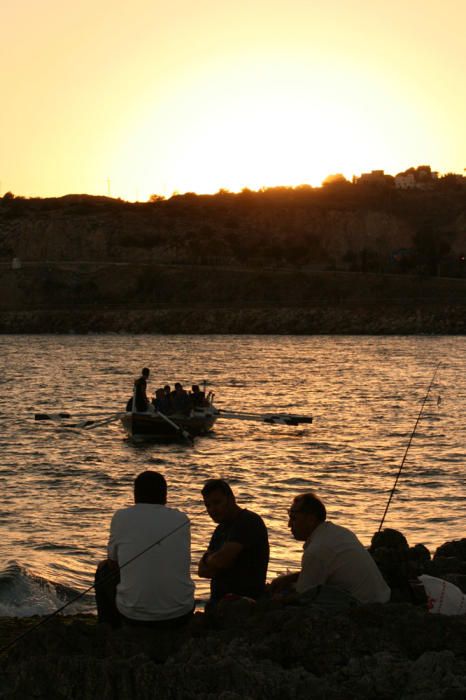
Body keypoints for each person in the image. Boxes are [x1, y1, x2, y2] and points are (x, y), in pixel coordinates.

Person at [95, 471, 195, 628]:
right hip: (181, 614)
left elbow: (113, 563)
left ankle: (110, 627)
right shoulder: (181, 518)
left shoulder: (121, 517)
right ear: (165, 495)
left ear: (135, 495)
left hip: (134, 618)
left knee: (104, 569)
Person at [269, 492, 390, 604]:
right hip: (382, 598)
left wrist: (277, 599)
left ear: (311, 519)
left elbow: (303, 595)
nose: (289, 524)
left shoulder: (316, 550)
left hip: (363, 607)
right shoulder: (339, 532)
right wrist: (289, 578)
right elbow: (320, 571)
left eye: (293, 518)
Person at [198, 479, 269, 605]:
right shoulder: (220, 529)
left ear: (231, 499)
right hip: (219, 603)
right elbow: (203, 571)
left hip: (243, 604)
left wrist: (209, 559)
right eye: (207, 505)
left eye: (217, 502)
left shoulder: (248, 521)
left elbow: (221, 560)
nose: (212, 509)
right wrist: (211, 560)